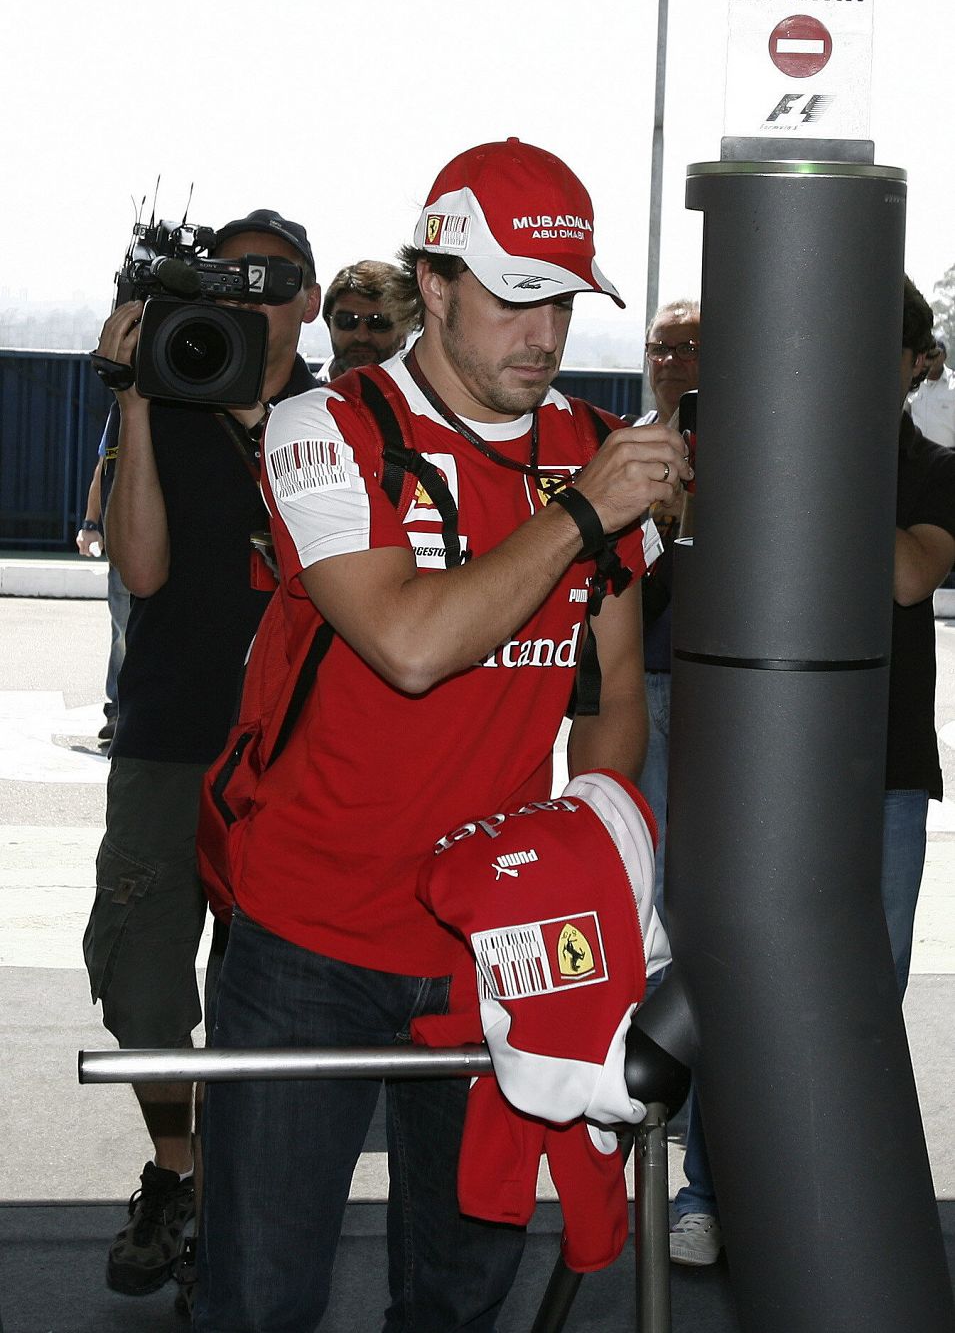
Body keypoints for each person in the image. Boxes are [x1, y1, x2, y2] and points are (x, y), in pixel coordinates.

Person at [195, 137, 692, 1332]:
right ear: (435, 282)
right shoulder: (327, 428)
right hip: (306, 932)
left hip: (493, 941)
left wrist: (587, 854)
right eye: (517, 295)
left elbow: (611, 693)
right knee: (259, 1297)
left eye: (563, 301)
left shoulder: (591, 445)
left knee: (463, 1288)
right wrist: (581, 511)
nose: (545, 334)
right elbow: (412, 644)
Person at [669, 275, 955, 1267]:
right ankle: (705, 1189)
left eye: (876, 346)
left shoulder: (932, 467)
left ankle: (835, 1204)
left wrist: (821, 454)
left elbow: (908, 574)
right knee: (735, 976)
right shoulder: (752, 451)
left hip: (881, 772)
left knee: (861, 996)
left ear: (918, 361)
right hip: (759, 766)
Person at [82, 209, 322, 1306]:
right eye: (227, 278)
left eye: (272, 279)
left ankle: (229, 1191)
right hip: (174, 732)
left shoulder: (341, 417)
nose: (247, 296)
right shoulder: (169, 397)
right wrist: (136, 396)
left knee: (271, 984)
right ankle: (176, 1169)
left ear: (309, 299)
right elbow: (141, 570)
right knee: (139, 969)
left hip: (298, 748)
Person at [633, 300, 700, 918]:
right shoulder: (625, 443)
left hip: (716, 675)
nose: (671, 362)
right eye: (661, 348)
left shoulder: (751, 452)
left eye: (689, 349)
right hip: (642, 663)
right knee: (643, 845)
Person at [76, 436, 131, 743]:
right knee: (122, 630)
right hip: (122, 544)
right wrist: (89, 523)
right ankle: (118, 710)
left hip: (165, 542)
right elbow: (103, 468)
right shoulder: (117, 415)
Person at [314, 258, 410, 381]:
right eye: (347, 321)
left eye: (378, 322)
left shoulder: (424, 397)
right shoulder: (300, 397)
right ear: (329, 324)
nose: (362, 336)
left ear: (403, 331)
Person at [908, 335, 955, 446]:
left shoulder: (953, 384)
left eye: (937, 354)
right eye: (929, 354)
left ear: (944, 356)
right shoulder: (913, 383)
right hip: (918, 455)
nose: (933, 359)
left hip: (947, 455)